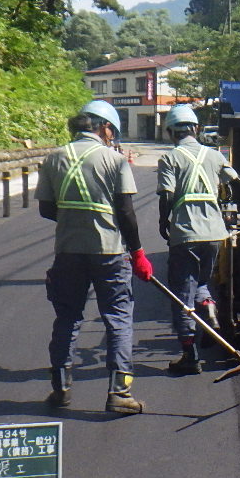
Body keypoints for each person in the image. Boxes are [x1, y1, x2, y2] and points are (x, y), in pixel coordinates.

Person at [36, 100, 153, 414]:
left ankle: (60, 389)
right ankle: (119, 393)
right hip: (109, 252)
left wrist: (76, 220)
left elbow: (46, 208)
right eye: (111, 130)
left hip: (68, 251)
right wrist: (138, 253)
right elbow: (126, 212)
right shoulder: (114, 161)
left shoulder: (54, 158)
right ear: (103, 127)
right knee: (118, 318)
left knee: (68, 317)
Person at [157, 103, 240, 375]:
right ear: (196, 129)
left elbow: (167, 195)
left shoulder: (170, 158)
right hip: (215, 232)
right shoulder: (214, 154)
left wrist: (163, 221)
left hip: (186, 232)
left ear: (172, 132)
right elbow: (235, 180)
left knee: (182, 295)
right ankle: (210, 311)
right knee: (203, 281)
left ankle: (189, 355)